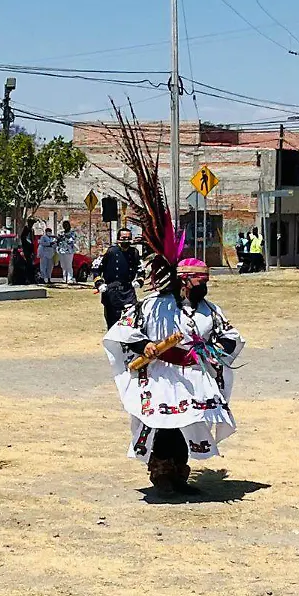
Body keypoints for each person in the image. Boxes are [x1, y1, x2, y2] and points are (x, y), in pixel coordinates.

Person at [102, 112, 244, 495]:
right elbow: (120, 334)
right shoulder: (151, 307)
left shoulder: (210, 310)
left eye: (206, 281)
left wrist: (210, 351)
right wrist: (145, 347)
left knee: (187, 425)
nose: (204, 286)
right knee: (164, 426)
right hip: (161, 376)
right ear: (184, 281)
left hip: (193, 374)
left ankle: (179, 474)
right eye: (199, 281)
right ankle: (162, 474)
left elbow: (231, 337)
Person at [93, 228, 143, 328]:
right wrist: (99, 284)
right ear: (118, 239)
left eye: (128, 238)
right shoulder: (110, 251)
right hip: (111, 290)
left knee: (130, 320)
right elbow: (96, 268)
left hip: (128, 291)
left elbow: (141, 268)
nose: (126, 241)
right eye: (123, 238)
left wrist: (139, 280)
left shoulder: (134, 252)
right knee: (112, 323)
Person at [56, 220, 79, 284]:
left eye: (66, 225)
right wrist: (58, 239)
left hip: (69, 251)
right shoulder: (61, 233)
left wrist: (65, 237)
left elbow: (72, 241)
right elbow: (57, 241)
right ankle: (64, 278)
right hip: (61, 251)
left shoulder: (72, 233)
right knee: (63, 265)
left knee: (68, 265)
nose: (65, 226)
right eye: (64, 225)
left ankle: (70, 278)